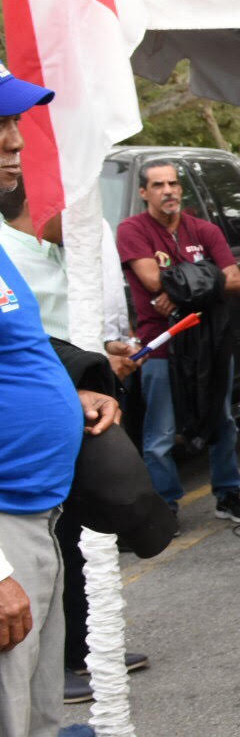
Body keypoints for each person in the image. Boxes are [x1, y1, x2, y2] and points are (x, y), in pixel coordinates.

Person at [0, 65, 117, 737]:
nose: (13, 141)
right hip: (2, 538)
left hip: (35, 520)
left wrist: (62, 390)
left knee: (37, 725)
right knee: (2, 736)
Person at [0, 178, 153, 704]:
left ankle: (80, 650)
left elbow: (41, 342)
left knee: (75, 549)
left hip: (63, 433)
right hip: (17, 483)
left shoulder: (54, 254)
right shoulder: (9, 252)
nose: (89, 224)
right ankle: (71, 657)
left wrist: (92, 370)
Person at [115, 160, 240, 520]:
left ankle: (229, 495)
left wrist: (179, 291)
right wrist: (206, 279)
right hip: (160, 344)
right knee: (161, 434)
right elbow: (150, 280)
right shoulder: (132, 230)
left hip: (210, 342)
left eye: (174, 184)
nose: (169, 191)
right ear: (144, 192)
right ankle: (166, 505)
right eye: (159, 185)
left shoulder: (204, 229)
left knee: (222, 420)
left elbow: (236, 280)